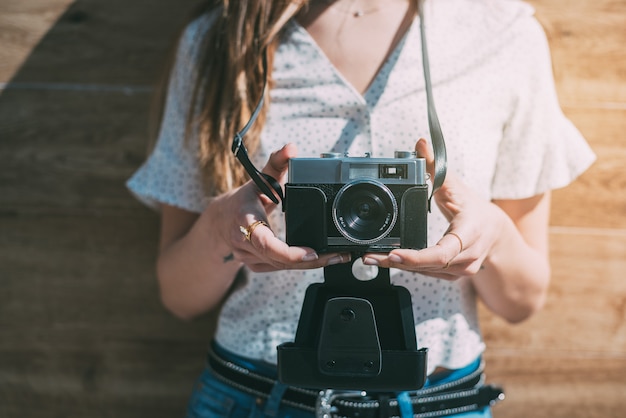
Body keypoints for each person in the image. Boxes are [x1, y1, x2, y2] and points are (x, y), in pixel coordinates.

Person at [127, 0, 595, 416]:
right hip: (255, 391)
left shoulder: (501, 31)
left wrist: (490, 233)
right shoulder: (219, 39)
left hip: (436, 395)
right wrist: (220, 226)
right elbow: (180, 296)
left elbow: (521, 300)